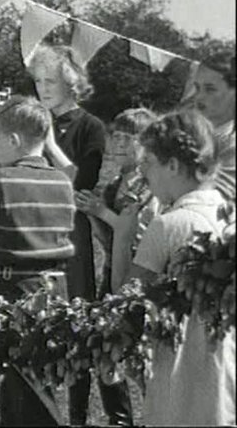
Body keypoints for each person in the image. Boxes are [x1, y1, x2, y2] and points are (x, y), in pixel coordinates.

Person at [0, 95, 76, 426]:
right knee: (43, 373)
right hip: (57, 289)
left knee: (18, 380)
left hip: (15, 286)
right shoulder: (64, 182)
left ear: (13, 140)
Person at [124, 109, 236, 426]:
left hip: (182, 373)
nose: (145, 174)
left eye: (150, 164)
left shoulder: (168, 225)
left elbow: (124, 304)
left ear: (173, 165)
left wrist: (122, 237)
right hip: (227, 370)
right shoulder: (229, 218)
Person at [25, 44, 107, 425]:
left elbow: (80, 186)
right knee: (30, 320)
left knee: (75, 324)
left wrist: (52, 149)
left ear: (71, 82)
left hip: (70, 233)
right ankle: (38, 411)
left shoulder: (90, 127)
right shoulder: (30, 119)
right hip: (31, 228)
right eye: (38, 81)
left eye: (51, 80)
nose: (43, 88)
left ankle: (76, 417)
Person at [74, 107, 159, 426]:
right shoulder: (114, 183)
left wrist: (101, 212)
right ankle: (119, 418)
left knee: (141, 356)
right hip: (112, 271)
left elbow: (137, 233)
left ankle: (160, 412)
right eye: (117, 136)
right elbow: (110, 239)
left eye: (130, 137)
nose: (120, 143)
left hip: (141, 275)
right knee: (105, 350)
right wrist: (95, 214)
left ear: (148, 144)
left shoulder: (148, 185)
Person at [192, 51, 235, 203]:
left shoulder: (231, 145)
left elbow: (216, 203)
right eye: (197, 88)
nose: (199, 97)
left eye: (210, 89)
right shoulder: (197, 136)